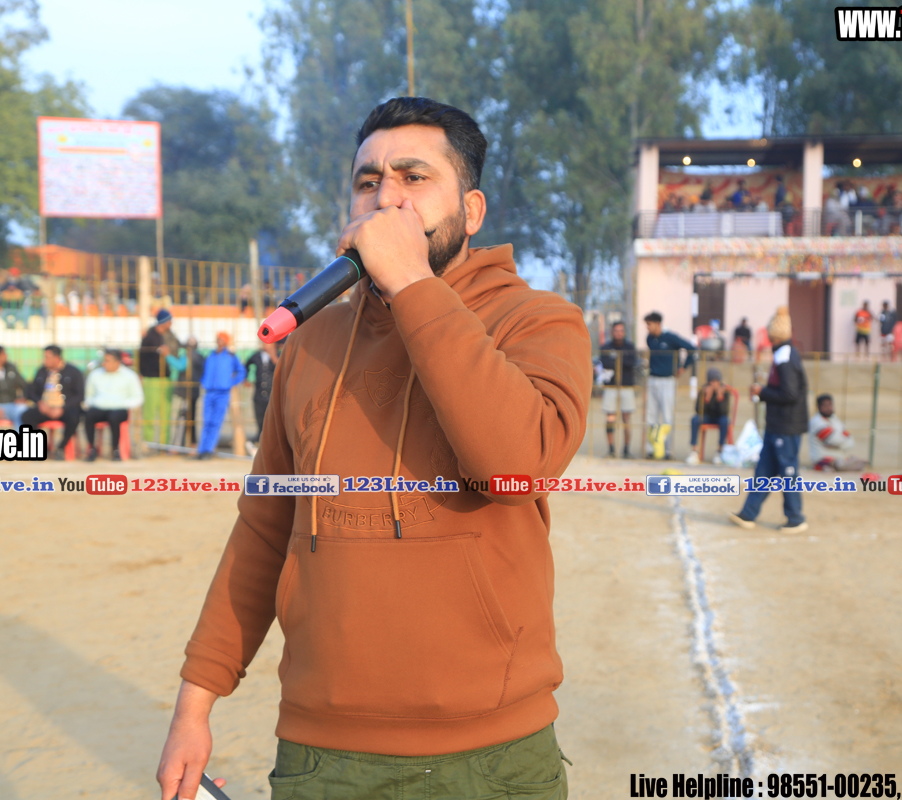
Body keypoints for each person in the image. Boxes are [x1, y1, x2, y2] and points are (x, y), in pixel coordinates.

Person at [157, 97, 590, 800]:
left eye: (414, 178)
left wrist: (413, 282)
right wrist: (194, 705)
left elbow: (515, 467)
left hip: (492, 756)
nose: (386, 198)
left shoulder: (537, 321)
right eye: (368, 181)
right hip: (322, 754)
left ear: (471, 211)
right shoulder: (313, 341)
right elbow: (264, 529)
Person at [729, 307, 809, 534]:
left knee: (788, 471)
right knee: (764, 470)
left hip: (787, 425)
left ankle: (795, 517)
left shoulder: (785, 357)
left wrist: (762, 392)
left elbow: (790, 394)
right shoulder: (782, 354)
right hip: (776, 424)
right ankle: (748, 513)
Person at [643, 310, 696, 460]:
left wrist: (683, 367)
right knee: (651, 415)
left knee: (667, 416)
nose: (647, 327)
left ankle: (668, 451)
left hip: (667, 380)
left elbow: (692, 349)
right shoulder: (650, 339)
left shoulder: (670, 337)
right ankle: (651, 449)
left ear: (658, 324)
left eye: (649, 324)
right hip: (653, 379)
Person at [21, 345, 84, 460]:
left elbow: (80, 395)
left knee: (74, 418)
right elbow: (31, 392)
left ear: (57, 357)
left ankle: (61, 448)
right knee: (27, 416)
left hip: (65, 409)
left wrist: (63, 408)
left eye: (47, 357)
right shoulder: (41, 371)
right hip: (45, 408)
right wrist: (40, 403)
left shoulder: (73, 371)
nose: (44, 360)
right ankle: (40, 448)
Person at [83, 349, 144, 462]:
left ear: (117, 362)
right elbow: (88, 396)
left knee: (114, 417)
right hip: (99, 407)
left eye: (107, 361)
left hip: (119, 408)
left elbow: (138, 398)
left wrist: (124, 404)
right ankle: (92, 449)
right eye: (104, 360)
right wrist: (93, 403)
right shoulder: (95, 374)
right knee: (89, 415)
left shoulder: (130, 375)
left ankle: (115, 450)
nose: (104, 363)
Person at [196, 332, 245, 460]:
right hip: (209, 392)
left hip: (222, 393)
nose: (219, 341)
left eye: (222, 339)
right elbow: (203, 370)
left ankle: (208, 450)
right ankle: (201, 450)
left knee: (215, 422)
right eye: (218, 339)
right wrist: (203, 381)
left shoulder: (231, 356)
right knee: (206, 422)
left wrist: (230, 383)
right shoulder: (210, 355)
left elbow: (241, 372)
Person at [599, 321, 638, 458]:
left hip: (626, 386)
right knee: (610, 418)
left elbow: (631, 363)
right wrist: (620, 361)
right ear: (612, 332)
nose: (619, 333)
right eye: (616, 331)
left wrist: (616, 359)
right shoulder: (606, 347)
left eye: (621, 331)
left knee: (626, 418)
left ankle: (626, 450)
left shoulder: (630, 347)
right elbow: (605, 363)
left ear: (624, 332)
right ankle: (611, 449)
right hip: (611, 386)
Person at [139, 308, 175, 447]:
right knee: (149, 414)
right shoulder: (149, 337)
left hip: (166, 379)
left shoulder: (170, 336)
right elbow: (142, 357)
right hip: (151, 379)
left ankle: (164, 445)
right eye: (169, 320)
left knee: (166, 415)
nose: (171, 323)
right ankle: (148, 443)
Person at [808, 394, 868, 471]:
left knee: (854, 462)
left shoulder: (835, 420)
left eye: (830, 405)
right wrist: (841, 441)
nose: (828, 408)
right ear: (819, 407)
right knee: (838, 465)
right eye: (825, 405)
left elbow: (850, 442)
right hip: (822, 459)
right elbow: (834, 440)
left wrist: (838, 445)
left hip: (839, 458)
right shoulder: (817, 422)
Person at [686, 367, 731, 465]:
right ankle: (694, 451)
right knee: (695, 419)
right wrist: (707, 398)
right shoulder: (703, 390)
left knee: (725, 421)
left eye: (717, 381)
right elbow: (698, 410)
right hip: (707, 417)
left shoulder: (725, 391)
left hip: (719, 417)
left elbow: (725, 412)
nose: (714, 384)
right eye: (712, 381)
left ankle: (719, 451)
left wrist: (719, 397)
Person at [244, 340, 279, 453]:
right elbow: (246, 365)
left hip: (272, 395)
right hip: (259, 395)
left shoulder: (278, 355)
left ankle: (268, 446)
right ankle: (259, 445)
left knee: (272, 422)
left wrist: (272, 355)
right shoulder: (257, 356)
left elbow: (281, 368)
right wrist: (246, 379)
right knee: (260, 420)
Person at [174, 335, 206, 448]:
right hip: (194, 390)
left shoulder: (186, 356)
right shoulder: (201, 357)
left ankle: (179, 444)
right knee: (191, 417)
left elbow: (180, 367)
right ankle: (192, 442)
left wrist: (168, 355)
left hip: (184, 391)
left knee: (182, 418)